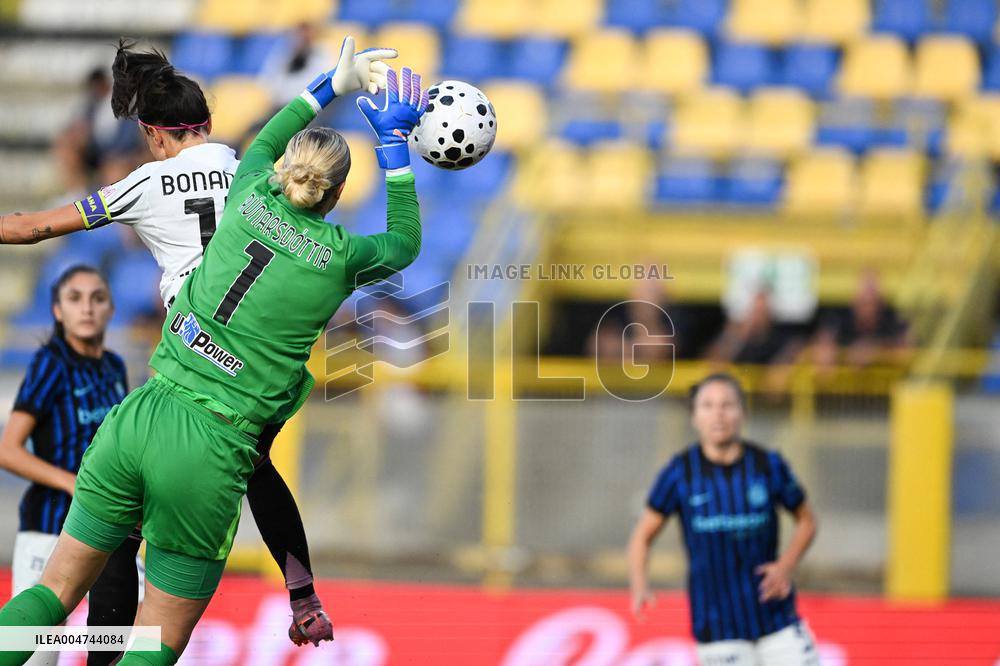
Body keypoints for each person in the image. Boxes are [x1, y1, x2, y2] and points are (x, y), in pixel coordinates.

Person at [0, 42, 426, 666]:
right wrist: (394, 150)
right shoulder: (299, 222)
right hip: (219, 426)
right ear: (336, 195)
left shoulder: (243, 187)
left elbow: (34, 227)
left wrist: (331, 82)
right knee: (158, 628)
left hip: (157, 390)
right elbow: (404, 243)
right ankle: (301, 592)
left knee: (60, 594)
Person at [627, 373, 820, 666]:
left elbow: (807, 520)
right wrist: (640, 585)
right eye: (707, 406)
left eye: (727, 405)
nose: (718, 414)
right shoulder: (680, 473)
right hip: (718, 627)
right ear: (694, 417)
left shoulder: (768, 465)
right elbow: (642, 537)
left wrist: (786, 565)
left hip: (776, 618)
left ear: (743, 412)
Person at [0, 266, 141, 666]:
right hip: (50, 530)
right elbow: (8, 449)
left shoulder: (113, 366)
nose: (87, 308)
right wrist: (71, 482)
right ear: (57, 311)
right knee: (37, 656)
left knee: (122, 642)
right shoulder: (51, 363)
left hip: (108, 533)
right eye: (74, 299)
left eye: (97, 298)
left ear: (111, 308)